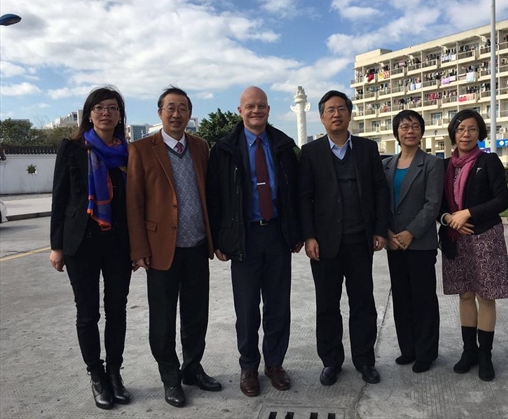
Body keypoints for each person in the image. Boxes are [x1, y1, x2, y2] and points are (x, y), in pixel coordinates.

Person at [126, 87, 221, 408]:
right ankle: (170, 377)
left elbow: (211, 194)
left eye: (182, 108)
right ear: (160, 113)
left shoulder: (200, 147)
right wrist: (139, 248)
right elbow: (133, 203)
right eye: (170, 108)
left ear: (190, 114)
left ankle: (192, 368)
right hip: (160, 250)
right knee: (163, 320)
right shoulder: (141, 149)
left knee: (196, 315)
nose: (176, 114)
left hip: (196, 246)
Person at [207, 86, 303, 397]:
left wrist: (297, 231)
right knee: (247, 309)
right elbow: (215, 196)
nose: (256, 111)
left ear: (269, 110)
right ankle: (248, 366)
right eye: (250, 106)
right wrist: (219, 239)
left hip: (277, 234)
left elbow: (296, 192)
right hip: (244, 238)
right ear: (240, 111)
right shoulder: (224, 149)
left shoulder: (283, 146)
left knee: (278, 305)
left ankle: (274, 364)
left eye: (261, 105)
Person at [49, 86, 133, 410]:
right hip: (81, 242)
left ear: (120, 115)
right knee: (87, 313)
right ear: (89, 114)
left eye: (112, 108)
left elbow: (135, 201)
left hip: (118, 243)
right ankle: (96, 374)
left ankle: (114, 373)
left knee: (117, 310)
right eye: (99, 108)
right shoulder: (72, 148)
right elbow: (60, 198)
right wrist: (56, 246)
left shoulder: (128, 153)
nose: (105, 113)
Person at [299, 90, 388, 386]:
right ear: (322, 117)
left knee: (363, 303)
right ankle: (331, 361)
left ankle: (365, 360)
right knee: (327, 305)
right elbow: (304, 197)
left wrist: (379, 229)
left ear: (349, 114)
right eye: (330, 110)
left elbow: (379, 190)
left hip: (360, 240)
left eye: (341, 109)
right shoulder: (310, 152)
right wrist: (309, 236)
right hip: (325, 244)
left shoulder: (367, 148)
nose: (336, 114)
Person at [438, 109, 508, 382]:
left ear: (479, 132)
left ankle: (485, 356)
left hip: (485, 237)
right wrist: (449, 219)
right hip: (456, 238)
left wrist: (467, 213)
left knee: (486, 297)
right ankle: (469, 351)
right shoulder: (444, 166)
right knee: (465, 295)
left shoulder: (488, 161)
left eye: (471, 129)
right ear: (453, 134)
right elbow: (439, 206)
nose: (465, 134)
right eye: (460, 129)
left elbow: (502, 200)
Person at [382, 110, 444, 374]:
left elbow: (433, 204)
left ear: (421, 131)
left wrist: (410, 232)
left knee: (423, 299)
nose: (410, 131)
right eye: (404, 126)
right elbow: (380, 202)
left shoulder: (432, 164)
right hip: (393, 242)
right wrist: (387, 232)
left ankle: (426, 352)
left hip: (420, 243)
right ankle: (407, 348)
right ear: (396, 132)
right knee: (401, 297)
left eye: (415, 126)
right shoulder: (386, 165)